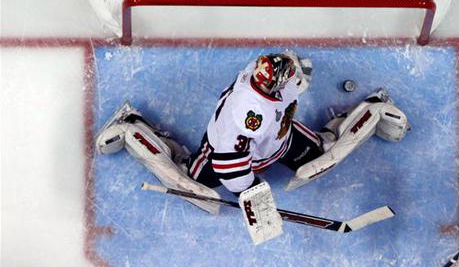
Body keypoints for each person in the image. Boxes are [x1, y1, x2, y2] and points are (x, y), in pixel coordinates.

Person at [95, 50, 409, 200]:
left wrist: (294, 74)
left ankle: (369, 107)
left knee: (324, 150)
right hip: (224, 152)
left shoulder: (263, 69)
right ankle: (133, 126)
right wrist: (250, 190)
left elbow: (295, 67)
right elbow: (228, 161)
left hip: (281, 138)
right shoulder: (248, 116)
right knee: (192, 179)